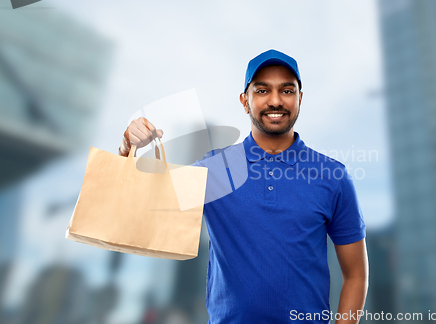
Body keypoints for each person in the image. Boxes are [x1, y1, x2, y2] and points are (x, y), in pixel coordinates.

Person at [118, 49, 368, 324]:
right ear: (245, 100)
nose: (275, 101)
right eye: (262, 91)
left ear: (300, 98)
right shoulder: (213, 169)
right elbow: (142, 206)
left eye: (287, 90)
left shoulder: (332, 176)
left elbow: (355, 275)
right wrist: (128, 149)